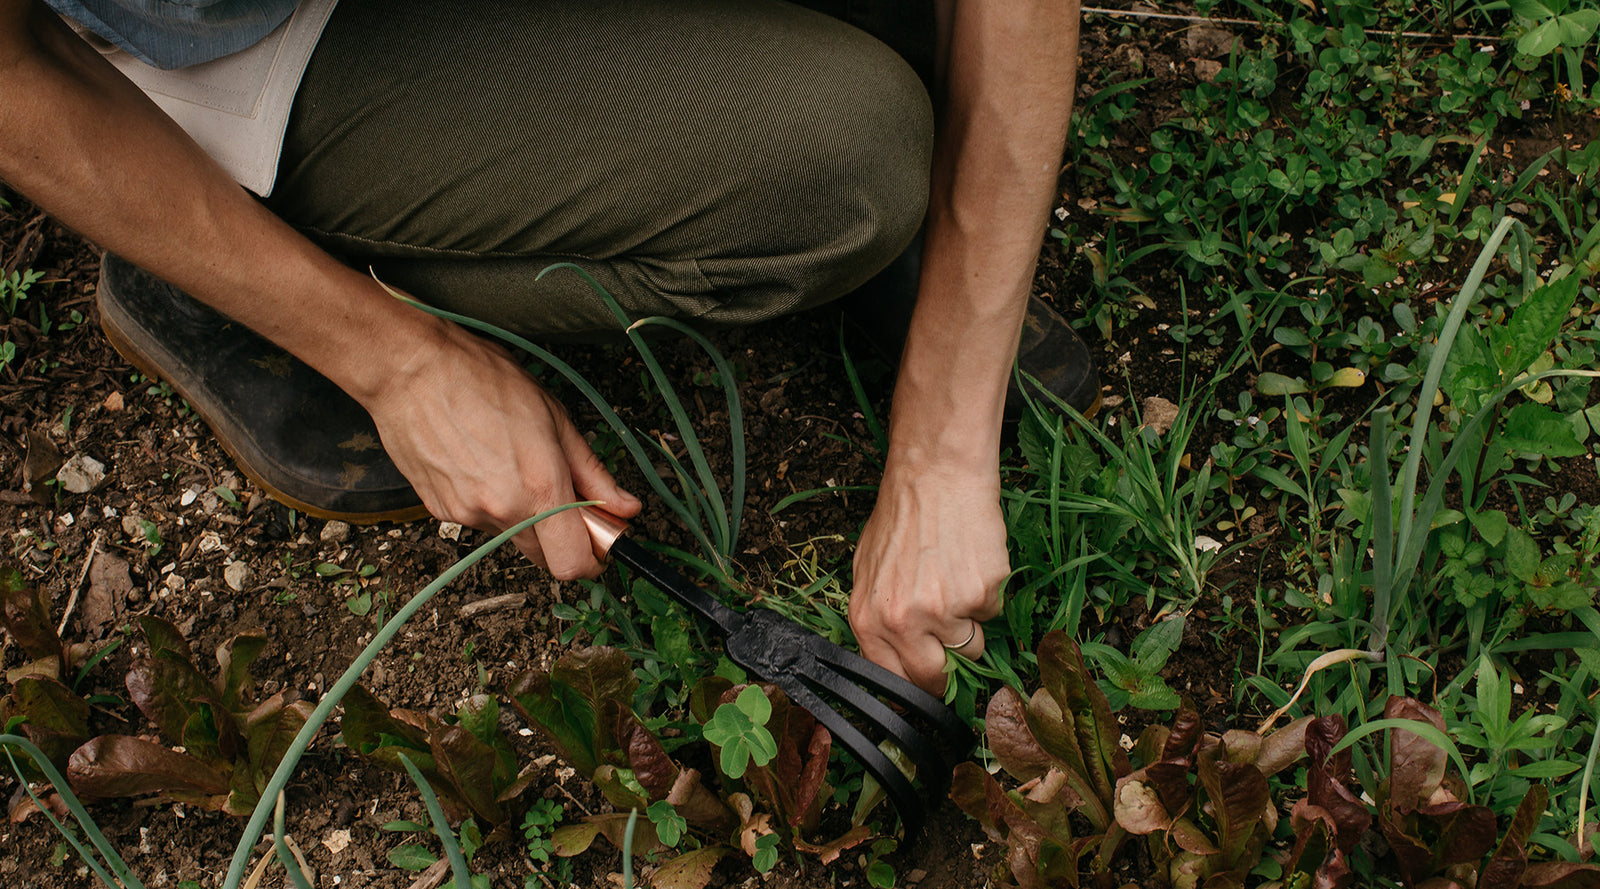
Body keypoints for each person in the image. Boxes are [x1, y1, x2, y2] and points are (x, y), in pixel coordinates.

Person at [0, 0, 1095, 694]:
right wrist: (398, 361)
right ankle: (198, 238)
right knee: (838, 172)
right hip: (234, 40)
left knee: (899, 54)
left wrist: (944, 444)